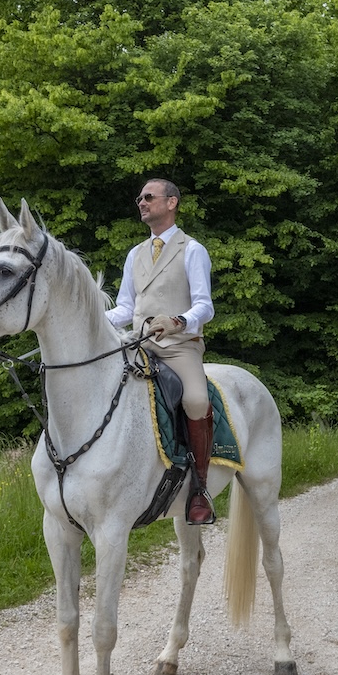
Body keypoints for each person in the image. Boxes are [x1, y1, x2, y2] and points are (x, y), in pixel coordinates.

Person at [106, 178, 217, 524]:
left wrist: (180, 321)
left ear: (172, 203)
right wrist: (94, 322)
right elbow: (125, 308)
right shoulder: (135, 254)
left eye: (149, 197)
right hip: (139, 342)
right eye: (139, 198)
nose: (141, 201)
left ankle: (199, 488)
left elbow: (205, 305)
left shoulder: (192, 249)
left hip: (178, 346)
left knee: (197, 401)